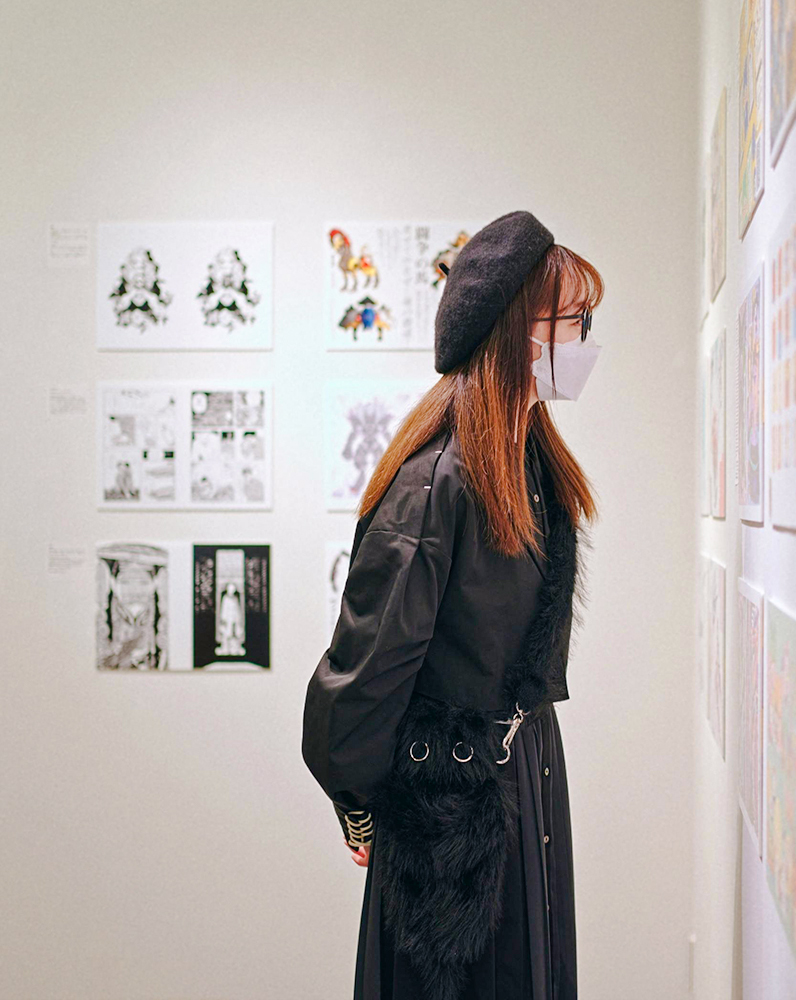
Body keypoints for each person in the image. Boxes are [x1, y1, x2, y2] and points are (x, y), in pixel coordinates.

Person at [303, 210, 605, 1000]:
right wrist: (359, 804)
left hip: (520, 785)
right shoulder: (436, 481)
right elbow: (366, 666)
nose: (585, 339)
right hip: (452, 819)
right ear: (518, 331)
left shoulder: (528, 462)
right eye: (574, 319)